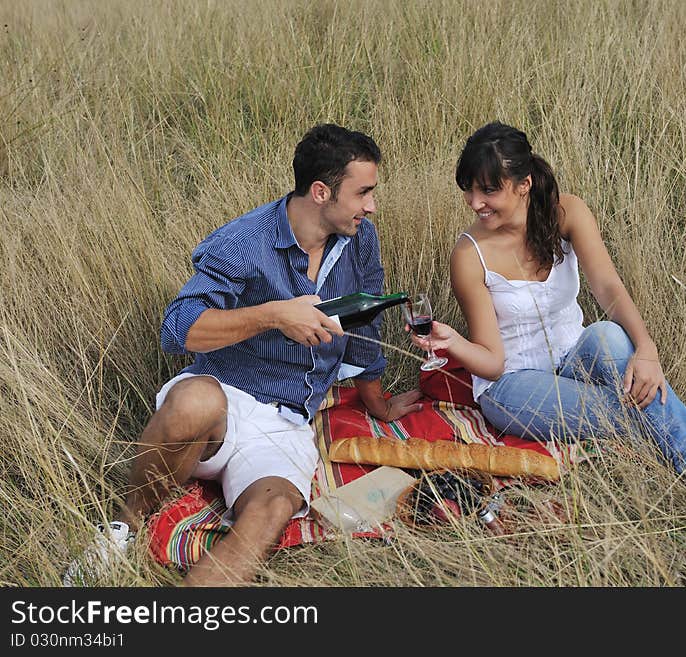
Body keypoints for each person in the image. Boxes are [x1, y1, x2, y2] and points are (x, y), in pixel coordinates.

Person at [411, 121, 686, 501]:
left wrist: (646, 349)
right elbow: (493, 361)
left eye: (489, 189)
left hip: (574, 356)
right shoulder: (469, 255)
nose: (475, 202)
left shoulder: (567, 213)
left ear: (523, 184)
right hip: (513, 385)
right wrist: (456, 344)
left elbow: (607, 286)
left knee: (609, 336)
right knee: (639, 413)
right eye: (468, 190)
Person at [64, 123, 422, 586]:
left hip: (288, 423)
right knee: (194, 401)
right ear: (320, 192)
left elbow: (364, 321)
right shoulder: (245, 241)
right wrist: (273, 315)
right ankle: (122, 530)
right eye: (363, 193)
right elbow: (177, 329)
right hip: (224, 402)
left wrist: (377, 401)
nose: (371, 206)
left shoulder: (360, 238)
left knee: (270, 512)